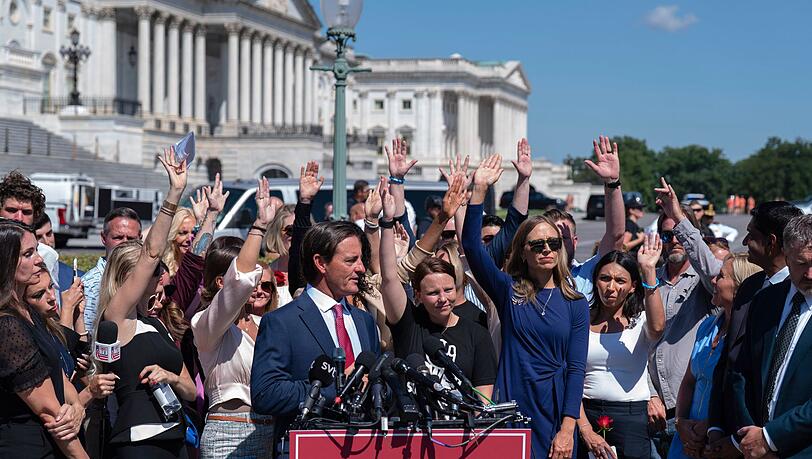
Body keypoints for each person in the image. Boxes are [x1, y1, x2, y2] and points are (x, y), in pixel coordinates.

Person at [462, 154, 589, 459]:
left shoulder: (576, 303)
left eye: (553, 243)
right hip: (514, 406)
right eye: (537, 245)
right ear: (523, 252)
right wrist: (479, 189)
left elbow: (576, 369)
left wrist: (568, 429)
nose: (546, 249)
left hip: (556, 411)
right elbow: (471, 247)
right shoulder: (508, 290)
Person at [90, 148, 196, 458]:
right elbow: (152, 251)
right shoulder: (116, 317)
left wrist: (171, 376)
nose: (157, 274)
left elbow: (189, 390)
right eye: (148, 271)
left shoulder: (156, 323)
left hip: (175, 435)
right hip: (138, 441)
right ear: (129, 277)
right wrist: (174, 192)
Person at [251, 218, 381, 454]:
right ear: (321, 263)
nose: (361, 268)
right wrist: (337, 388)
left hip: (363, 446)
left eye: (361, 260)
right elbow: (265, 394)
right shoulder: (282, 322)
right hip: (308, 446)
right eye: (351, 260)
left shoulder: (365, 322)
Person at [379, 175, 497, 401]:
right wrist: (386, 221)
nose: (443, 298)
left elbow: (484, 401)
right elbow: (389, 279)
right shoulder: (409, 323)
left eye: (448, 290)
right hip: (411, 429)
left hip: (459, 431)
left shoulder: (477, 334)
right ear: (419, 294)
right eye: (433, 293)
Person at [705, 201, 802, 456]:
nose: (745, 240)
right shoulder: (753, 289)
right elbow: (733, 366)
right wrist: (720, 427)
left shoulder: (800, 299)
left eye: (752, 234)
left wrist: (766, 439)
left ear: (771, 242)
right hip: (740, 439)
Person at [191, 178, 278, 458]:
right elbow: (239, 281)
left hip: (270, 431)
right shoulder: (205, 324)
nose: (256, 282)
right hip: (227, 431)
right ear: (220, 282)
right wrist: (259, 227)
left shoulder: (266, 324)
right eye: (252, 273)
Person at [647, 177, 723, 457]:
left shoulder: (705, 282)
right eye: (667, 235)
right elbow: (635, 340)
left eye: (679, 234)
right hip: (651, 409)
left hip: (691, 414)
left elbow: (713, 271)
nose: (674, 241)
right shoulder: (649, 279)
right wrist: (648, 393)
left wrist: (679, 217)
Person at [0, 218, 88, 458]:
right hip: (26, 447)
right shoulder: (7, 325)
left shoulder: (28, 312)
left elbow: (54, 371)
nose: (39, 260)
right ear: (7, 263)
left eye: (36, 250)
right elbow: (50, 413)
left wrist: (78, 406)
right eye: (28, 254)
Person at [729, 214, 812, 458]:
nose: (809, 273)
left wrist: (771, 438)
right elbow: (741, 372)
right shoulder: (766, 301)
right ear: (786, 257)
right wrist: (751, 437)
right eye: (801, 263)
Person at [577, 240, 666, 459]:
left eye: (620, 280)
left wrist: (649, 272)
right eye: (605, 278)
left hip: (631, 417)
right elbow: (571, 375)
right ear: (595, 281)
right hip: (588, 413)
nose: (611, 287)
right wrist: (584, 427)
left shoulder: (641, 319)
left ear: (633, 286)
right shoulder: (580, 319)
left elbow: (658, 328)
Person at [668, 253, 761, 459]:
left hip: (721, 443)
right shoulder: (708, 326)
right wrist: (681, 422)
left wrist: (711, 426)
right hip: (687, 439)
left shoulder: (750, 336)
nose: (712, 280)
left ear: (739, 288)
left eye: (721, 276)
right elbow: (689, 381)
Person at [544, 136, 625, 305]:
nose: (557, 246)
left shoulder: (587, 273)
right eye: (551, 240)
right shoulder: (528, 278)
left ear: (575, 242)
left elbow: (615, 234)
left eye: (563, 239)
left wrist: (612, 183)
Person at [82, 207, 143, 334]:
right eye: (118, 237)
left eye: (131, 239)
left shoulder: (146, 277)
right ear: (104, 238)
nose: (125, 244)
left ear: (140, 238)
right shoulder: (91, 285)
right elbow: (87, 335)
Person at [33, 212, 86, 293]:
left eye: (49, 234)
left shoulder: (76, 277)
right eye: (38, 237)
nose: (47, 242)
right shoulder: (25, 279)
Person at [162, 207, 196, 277]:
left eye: (194, 233)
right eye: (183, 233)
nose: (190, 238)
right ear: (172, 235)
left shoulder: (202, 267)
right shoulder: (161, 269)